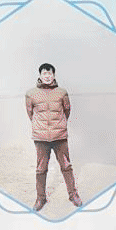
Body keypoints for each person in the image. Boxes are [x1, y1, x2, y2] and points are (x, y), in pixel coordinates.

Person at [25, 61, 81, 210]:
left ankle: (73, 195)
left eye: (49, 73)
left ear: (54, 75)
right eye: (44, 73)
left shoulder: (62, 92)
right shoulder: (31, 93)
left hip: (60, 136)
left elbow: (67, 111)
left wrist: (59, 125)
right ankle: (40, 199)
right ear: (40, 75)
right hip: (41, 138)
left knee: (66, 166)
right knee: (41, 169)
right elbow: (30, 113)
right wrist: (41, 127)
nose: (47, 76)